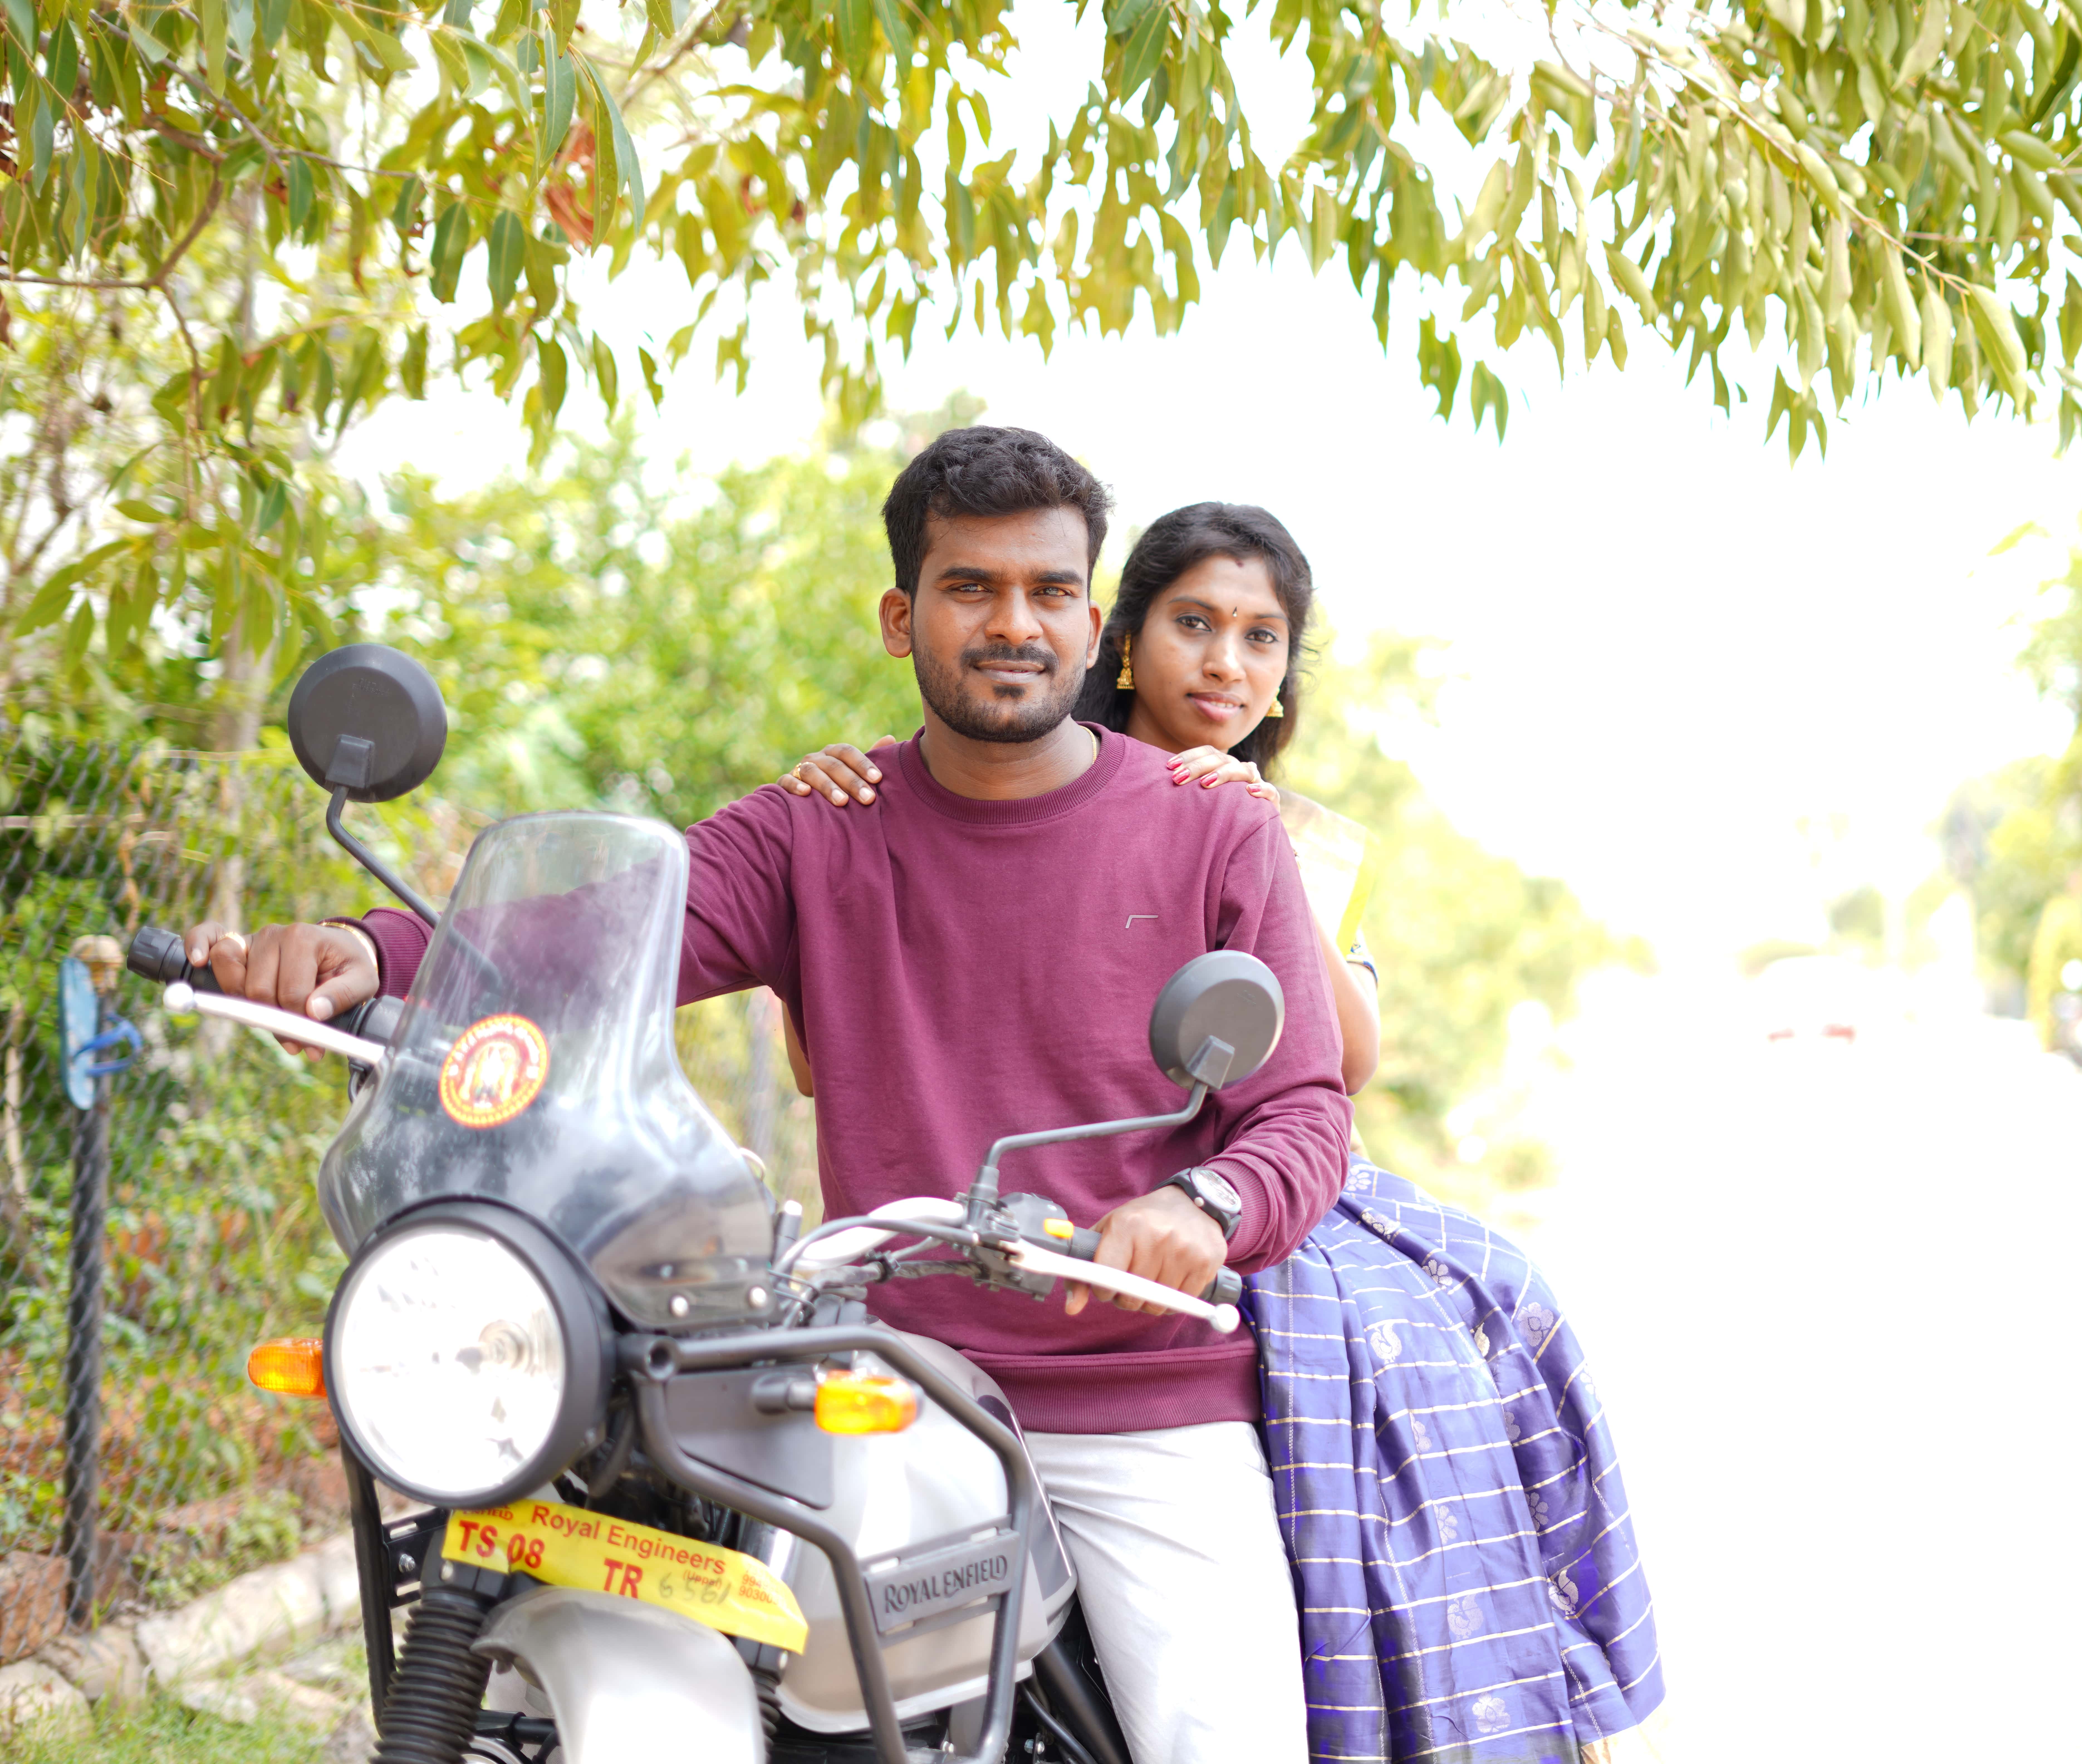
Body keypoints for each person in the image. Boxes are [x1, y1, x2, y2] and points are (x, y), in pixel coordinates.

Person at [187, 428, 1343, 1764]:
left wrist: (1206, 1204)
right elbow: (585, 935)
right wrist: (366, 955)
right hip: (880, 1374)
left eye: (1049, 592)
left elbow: (1305, 1113)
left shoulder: (1214, 826)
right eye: (971, 588)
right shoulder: (817, 827)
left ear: (1093, 625)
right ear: (902, 618)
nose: (1014, 625)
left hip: (1135, 1399)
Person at [777, 501, 1664, 1762]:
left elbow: (1343, 1064)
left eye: (1261, 639)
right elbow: (835, 1046)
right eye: (1194, 625)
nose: (1227, 665)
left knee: (1483, 1320)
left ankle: (1489, 1690)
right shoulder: (981, 781)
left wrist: (1266, 848)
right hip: (1001, 1244)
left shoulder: (1281, 830)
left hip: (1242, 1193)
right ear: (1123, 641)